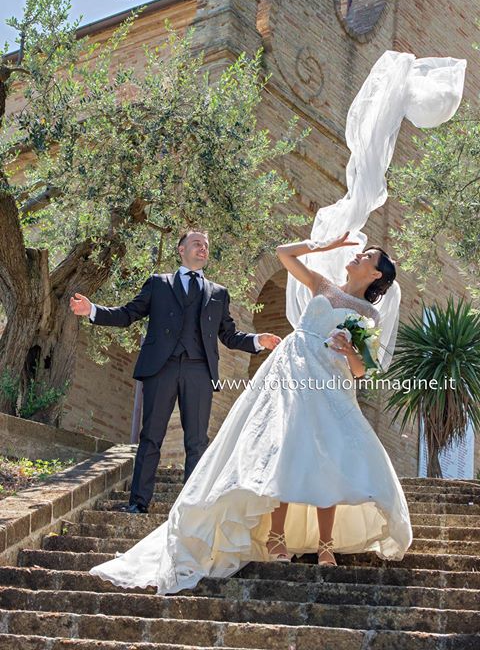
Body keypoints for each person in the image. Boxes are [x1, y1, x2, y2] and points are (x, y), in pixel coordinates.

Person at [88, 230, 413, 594]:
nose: (357, 257)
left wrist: (347, 350)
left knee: (329, 456)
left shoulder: (368, 313)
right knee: (283, 447)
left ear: (376, 275)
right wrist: (325, 245)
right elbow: (283, 253)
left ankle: (326, 544)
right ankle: (275, 536)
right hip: (291, 369)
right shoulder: (321, 283)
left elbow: (360, 370)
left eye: (366, 257)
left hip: (329, 382)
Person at [70, 229, 281, 513]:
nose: (203, 249)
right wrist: (93, 310)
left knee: (196, 441)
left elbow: (228, 336)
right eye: (197, 244)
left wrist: (258, 340)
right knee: (151, 436)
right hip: (161, 368)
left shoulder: (219, 293)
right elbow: (128, 313)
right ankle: (138, 503)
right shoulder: (158, 284)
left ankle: (191, 509)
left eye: (206, 245)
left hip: (199, 372)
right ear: (181, 250)